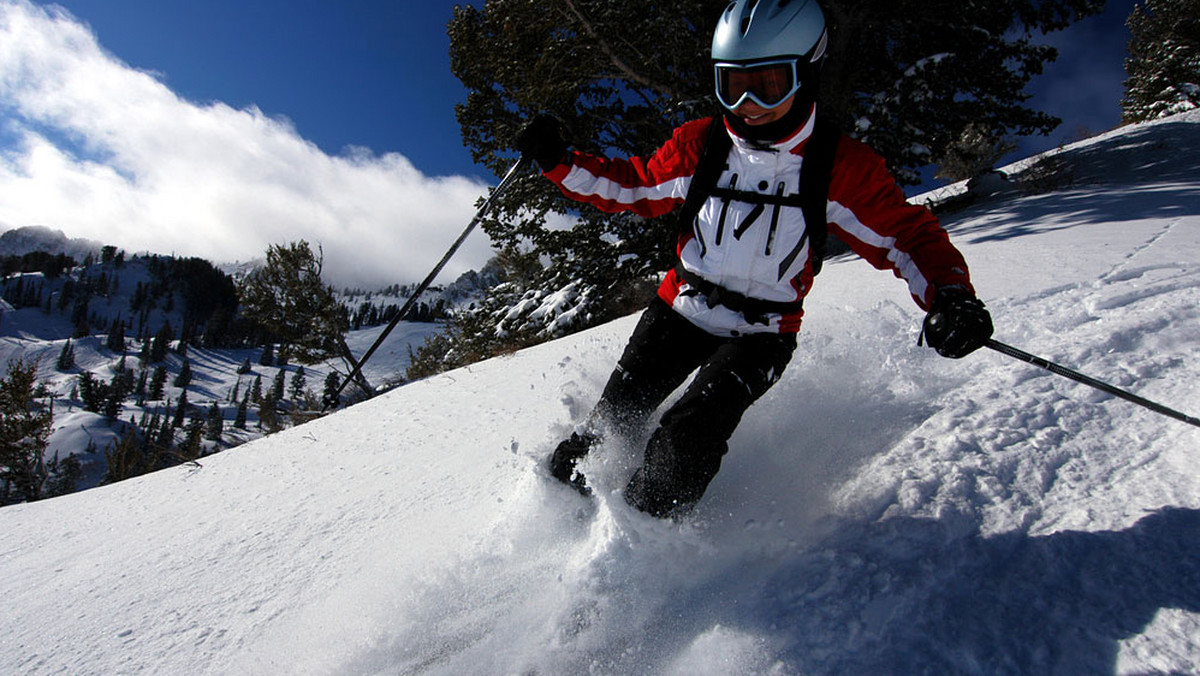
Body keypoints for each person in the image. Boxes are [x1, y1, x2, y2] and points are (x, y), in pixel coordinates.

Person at [515, 0, 993, 518]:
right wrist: (559, 162)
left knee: (686, 440)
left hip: (761, 335)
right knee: (610, 424)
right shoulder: (702, 145)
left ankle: (635, 550)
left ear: (806, 73)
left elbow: (905, 236)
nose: (746, 103)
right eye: (730, 84)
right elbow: (632, 186)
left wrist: (950, 297)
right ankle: (552, 520)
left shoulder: (839, 167)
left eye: (767, 84)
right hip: (680, 311)